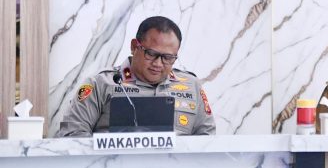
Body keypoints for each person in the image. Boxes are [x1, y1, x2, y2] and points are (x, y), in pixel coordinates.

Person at [57, 16, 215, 136]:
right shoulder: (100, 83)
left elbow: (207, 140)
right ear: (134, 46)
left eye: (168, 58)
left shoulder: (192, 85)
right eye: (151, 54)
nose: (158, 63)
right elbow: (73, 135)